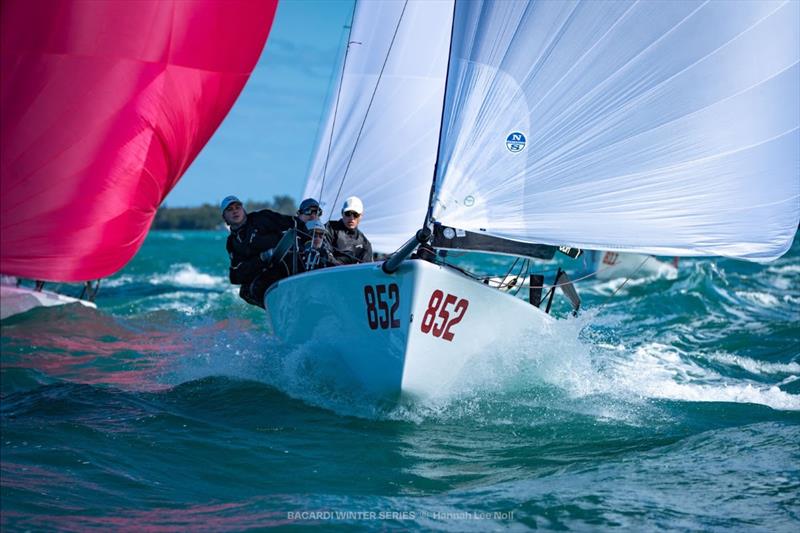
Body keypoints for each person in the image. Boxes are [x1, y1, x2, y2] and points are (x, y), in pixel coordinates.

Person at [223, 196, 320, 308]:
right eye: (230, 209)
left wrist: (310, 234)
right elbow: (235, 277)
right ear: (224, 217)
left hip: (286, 262)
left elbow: (292, 223)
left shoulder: (261, 218)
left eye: (237, 207)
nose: (235, 211)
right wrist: (261, 258)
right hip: (264, 272)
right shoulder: (232, 243)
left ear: (243, 210)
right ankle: (277, 311)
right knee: (245, 291)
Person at [325, 196, 373, 264]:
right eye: (348, 213)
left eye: (355, 214)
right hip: (328, 272)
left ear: (361, 215)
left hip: (348, 273)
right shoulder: (330, 228)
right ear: (342, 213)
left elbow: (366, 269)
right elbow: (323, 253)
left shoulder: (365, 243)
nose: (351, 218)